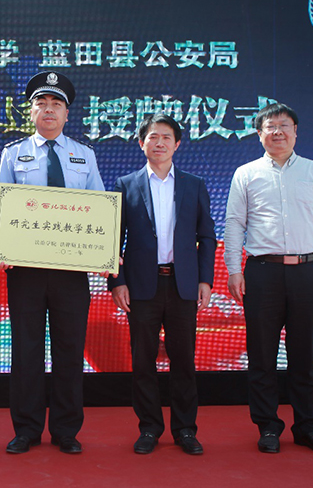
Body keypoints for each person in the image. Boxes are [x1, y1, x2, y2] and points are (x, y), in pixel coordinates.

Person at [0, 71, 104, 454]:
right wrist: (0, 248)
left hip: (71, 272)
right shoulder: (13, 153)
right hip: (25, 271)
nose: (49, 110)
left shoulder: (84, 154)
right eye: (41, 103)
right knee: (26, 350)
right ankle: (26, 429)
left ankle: (66, 429)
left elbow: (99, 208)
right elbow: (1, 205)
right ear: (31, 112)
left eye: (56, 104)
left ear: (67, 114)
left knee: (69, 350)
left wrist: (104, 251)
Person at [224, 102, 313, 455]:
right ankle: (267, 426)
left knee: (304, 354)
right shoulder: (246, 174)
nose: (277, 132)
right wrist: (234, 270)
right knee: (262, 354)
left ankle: (307, 426)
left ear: (295, 131)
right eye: (270, 126)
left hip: (308, 271)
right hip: (263, 272)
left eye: (284, 125)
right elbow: (235, 223)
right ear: (259, 133)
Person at [108, 114, 216, 455]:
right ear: (142, 143)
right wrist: (117, 282)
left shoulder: (193, 185)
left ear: (177, 144)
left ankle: (185, 430)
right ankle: (149, 429)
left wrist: (205, 280)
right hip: (142, 286)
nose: (159, 143)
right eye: (153, 137)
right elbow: (113, 239)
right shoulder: (126, 185)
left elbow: (207, 237)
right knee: (143, 361)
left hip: (183, 285)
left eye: (166, 137)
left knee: (183, 361)